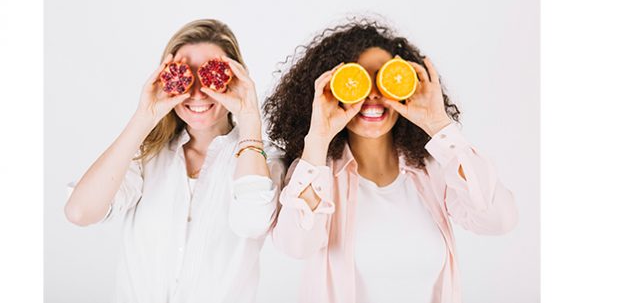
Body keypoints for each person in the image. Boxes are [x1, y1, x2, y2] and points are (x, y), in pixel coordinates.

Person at [264, 19, 519, 303]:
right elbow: (296, 245)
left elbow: (499, 219)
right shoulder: (315, 176)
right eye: (357, 81)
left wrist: (438, 125)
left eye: (385, 79)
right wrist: (319, 137)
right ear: (333, 90)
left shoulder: (433, 172)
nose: (373, 94)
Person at [65, 18, 284, 303]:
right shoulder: (146, 156)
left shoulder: (265, 161)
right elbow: (80, 212)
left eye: (209, 77)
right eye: (184, 76)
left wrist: (249, 118)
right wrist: (145, 116)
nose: (195, 93)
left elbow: (252, 224)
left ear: (236, 78)